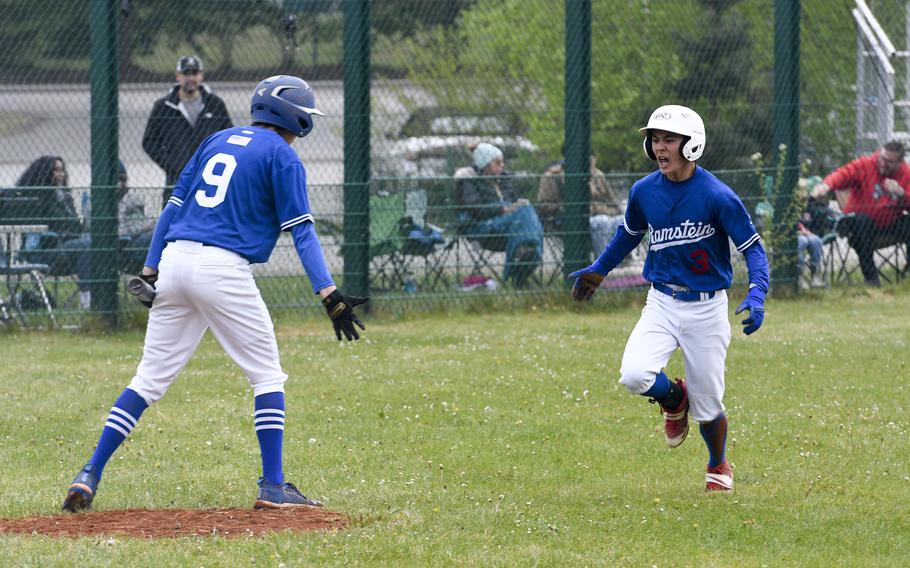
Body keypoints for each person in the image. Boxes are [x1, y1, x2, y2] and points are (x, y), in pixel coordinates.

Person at [62, 75, 368, 512]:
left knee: (147, 381)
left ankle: (89, 472)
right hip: (222, 269)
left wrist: (150, 268)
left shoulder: (218, 139)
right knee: (267, 377)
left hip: (173, 262)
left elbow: (173, 206)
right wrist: (329, 294)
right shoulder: (282, 155)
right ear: (294, 116)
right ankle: (274, 486)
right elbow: (301, 230)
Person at [568, 105, 769, 492]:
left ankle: (717, 464)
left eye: (669, 140)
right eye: (655, 140)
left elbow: (753, 249)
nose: (660, 147)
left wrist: (758, 291)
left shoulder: (717, 196)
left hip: (707, 308)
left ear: (691, 145)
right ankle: (675, 399)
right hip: (661, 301)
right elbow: (628, 234)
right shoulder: (644, 191)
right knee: (634, 374)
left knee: (709, 406)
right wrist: (599, 269)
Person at [809, 141, 910, 287]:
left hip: (890, 226)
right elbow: (843, 173)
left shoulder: (905, 174)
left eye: (889, 162)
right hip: (860, 228)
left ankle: (908, 276)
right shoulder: (866, 165)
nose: (882, 163)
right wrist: (826, 185)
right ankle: (871, 279)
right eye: (882, 158)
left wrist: (901, 194)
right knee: (862, 220)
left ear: (899, 163)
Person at [142, 55, 233, 208]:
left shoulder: (215, 104)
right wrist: (172, 165)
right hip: (176, 181)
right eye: (186, 73)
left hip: (210, 180)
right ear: (178, 76)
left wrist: (215, 164)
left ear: (201, 75)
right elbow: (149, 142)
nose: (191, 78)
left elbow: (228, 138)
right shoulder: (163, 106)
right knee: (173, 224)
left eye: (195, 73)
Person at [63, 161, 157, 308]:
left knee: (154, 239)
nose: (121, 184)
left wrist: (123, 221)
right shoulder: (95, 200)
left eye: (123, 179)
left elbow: (145, 224)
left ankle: (157, 289)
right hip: (106, 248)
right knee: (88, 245)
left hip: (130, 247)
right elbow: (93, 226)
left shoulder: (133, 199)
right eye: (117, 180)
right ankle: (88, 300)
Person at [454, 143, 544, 288]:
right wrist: (502, 209)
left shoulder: (504, 179)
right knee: (527, 216)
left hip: (509, 228)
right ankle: (517, 273)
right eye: (497, 163)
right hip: (483, 227)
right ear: (485, 163)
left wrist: (516, 203)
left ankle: (525, 254)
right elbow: (474, 208)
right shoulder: (469, 179)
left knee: (526, 209)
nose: (502, 166)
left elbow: (513, 200)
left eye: (502, 162)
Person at [537, 152, 625, 254]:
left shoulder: (598, 175)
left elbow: (612, 202)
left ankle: (624, 259)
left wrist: (610, 211)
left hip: (603, 214)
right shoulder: (553, 176)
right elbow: (544, 206)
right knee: (601, 222)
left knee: (624, 221)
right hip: (569, 221)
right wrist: (565, 209)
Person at [12, 156, 84, 277]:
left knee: (93, 245)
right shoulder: (38, 200)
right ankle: (87, 293)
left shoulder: (66, 198)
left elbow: (74, 226)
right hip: (47, 251)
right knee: (85, 246)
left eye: (62, 170)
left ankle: (91, 291)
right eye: (56, 170)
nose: (61, 174)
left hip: (68, 244)